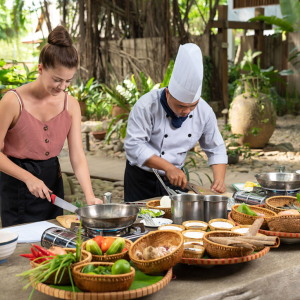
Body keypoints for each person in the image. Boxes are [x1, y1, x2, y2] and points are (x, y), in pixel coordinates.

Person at [0, 26, 102, 228]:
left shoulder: (70, 105)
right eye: (57, 79)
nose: (62, 87)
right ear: (40, 69)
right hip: (17, 183)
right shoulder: (12, 101)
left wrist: (90, 196)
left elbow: (77, 155)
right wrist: (28, 178)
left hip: (52, 182)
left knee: (54, 240)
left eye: (68, 81)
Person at [124, 43, 227, 202]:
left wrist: (219, 179)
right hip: (141, 179)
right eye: (180, 106)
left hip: (176, 178)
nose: (186, 111)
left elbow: (216, 147)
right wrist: (168, 167)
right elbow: (134, 145)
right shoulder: (147, 106)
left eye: (192, 106)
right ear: (168, 93)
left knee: (174, 221)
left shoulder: (204, 111)